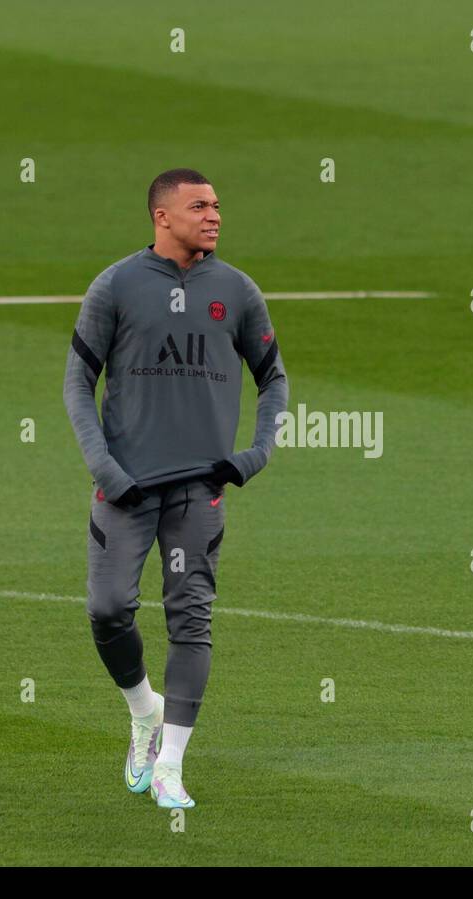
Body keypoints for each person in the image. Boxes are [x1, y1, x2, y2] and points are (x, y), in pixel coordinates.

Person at [64, 169, 288, 809]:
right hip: (126, 488)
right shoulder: (117, 285)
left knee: (191, 619)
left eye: (218, 204)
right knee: (108, 608)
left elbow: (274, 379)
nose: (214, 215)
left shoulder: (236, 291)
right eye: (199, 206)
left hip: (201, 488)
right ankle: (143, 712)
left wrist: (256, 453)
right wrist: (103, 465)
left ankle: (171, 766)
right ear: (163, 217)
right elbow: (78, 381)